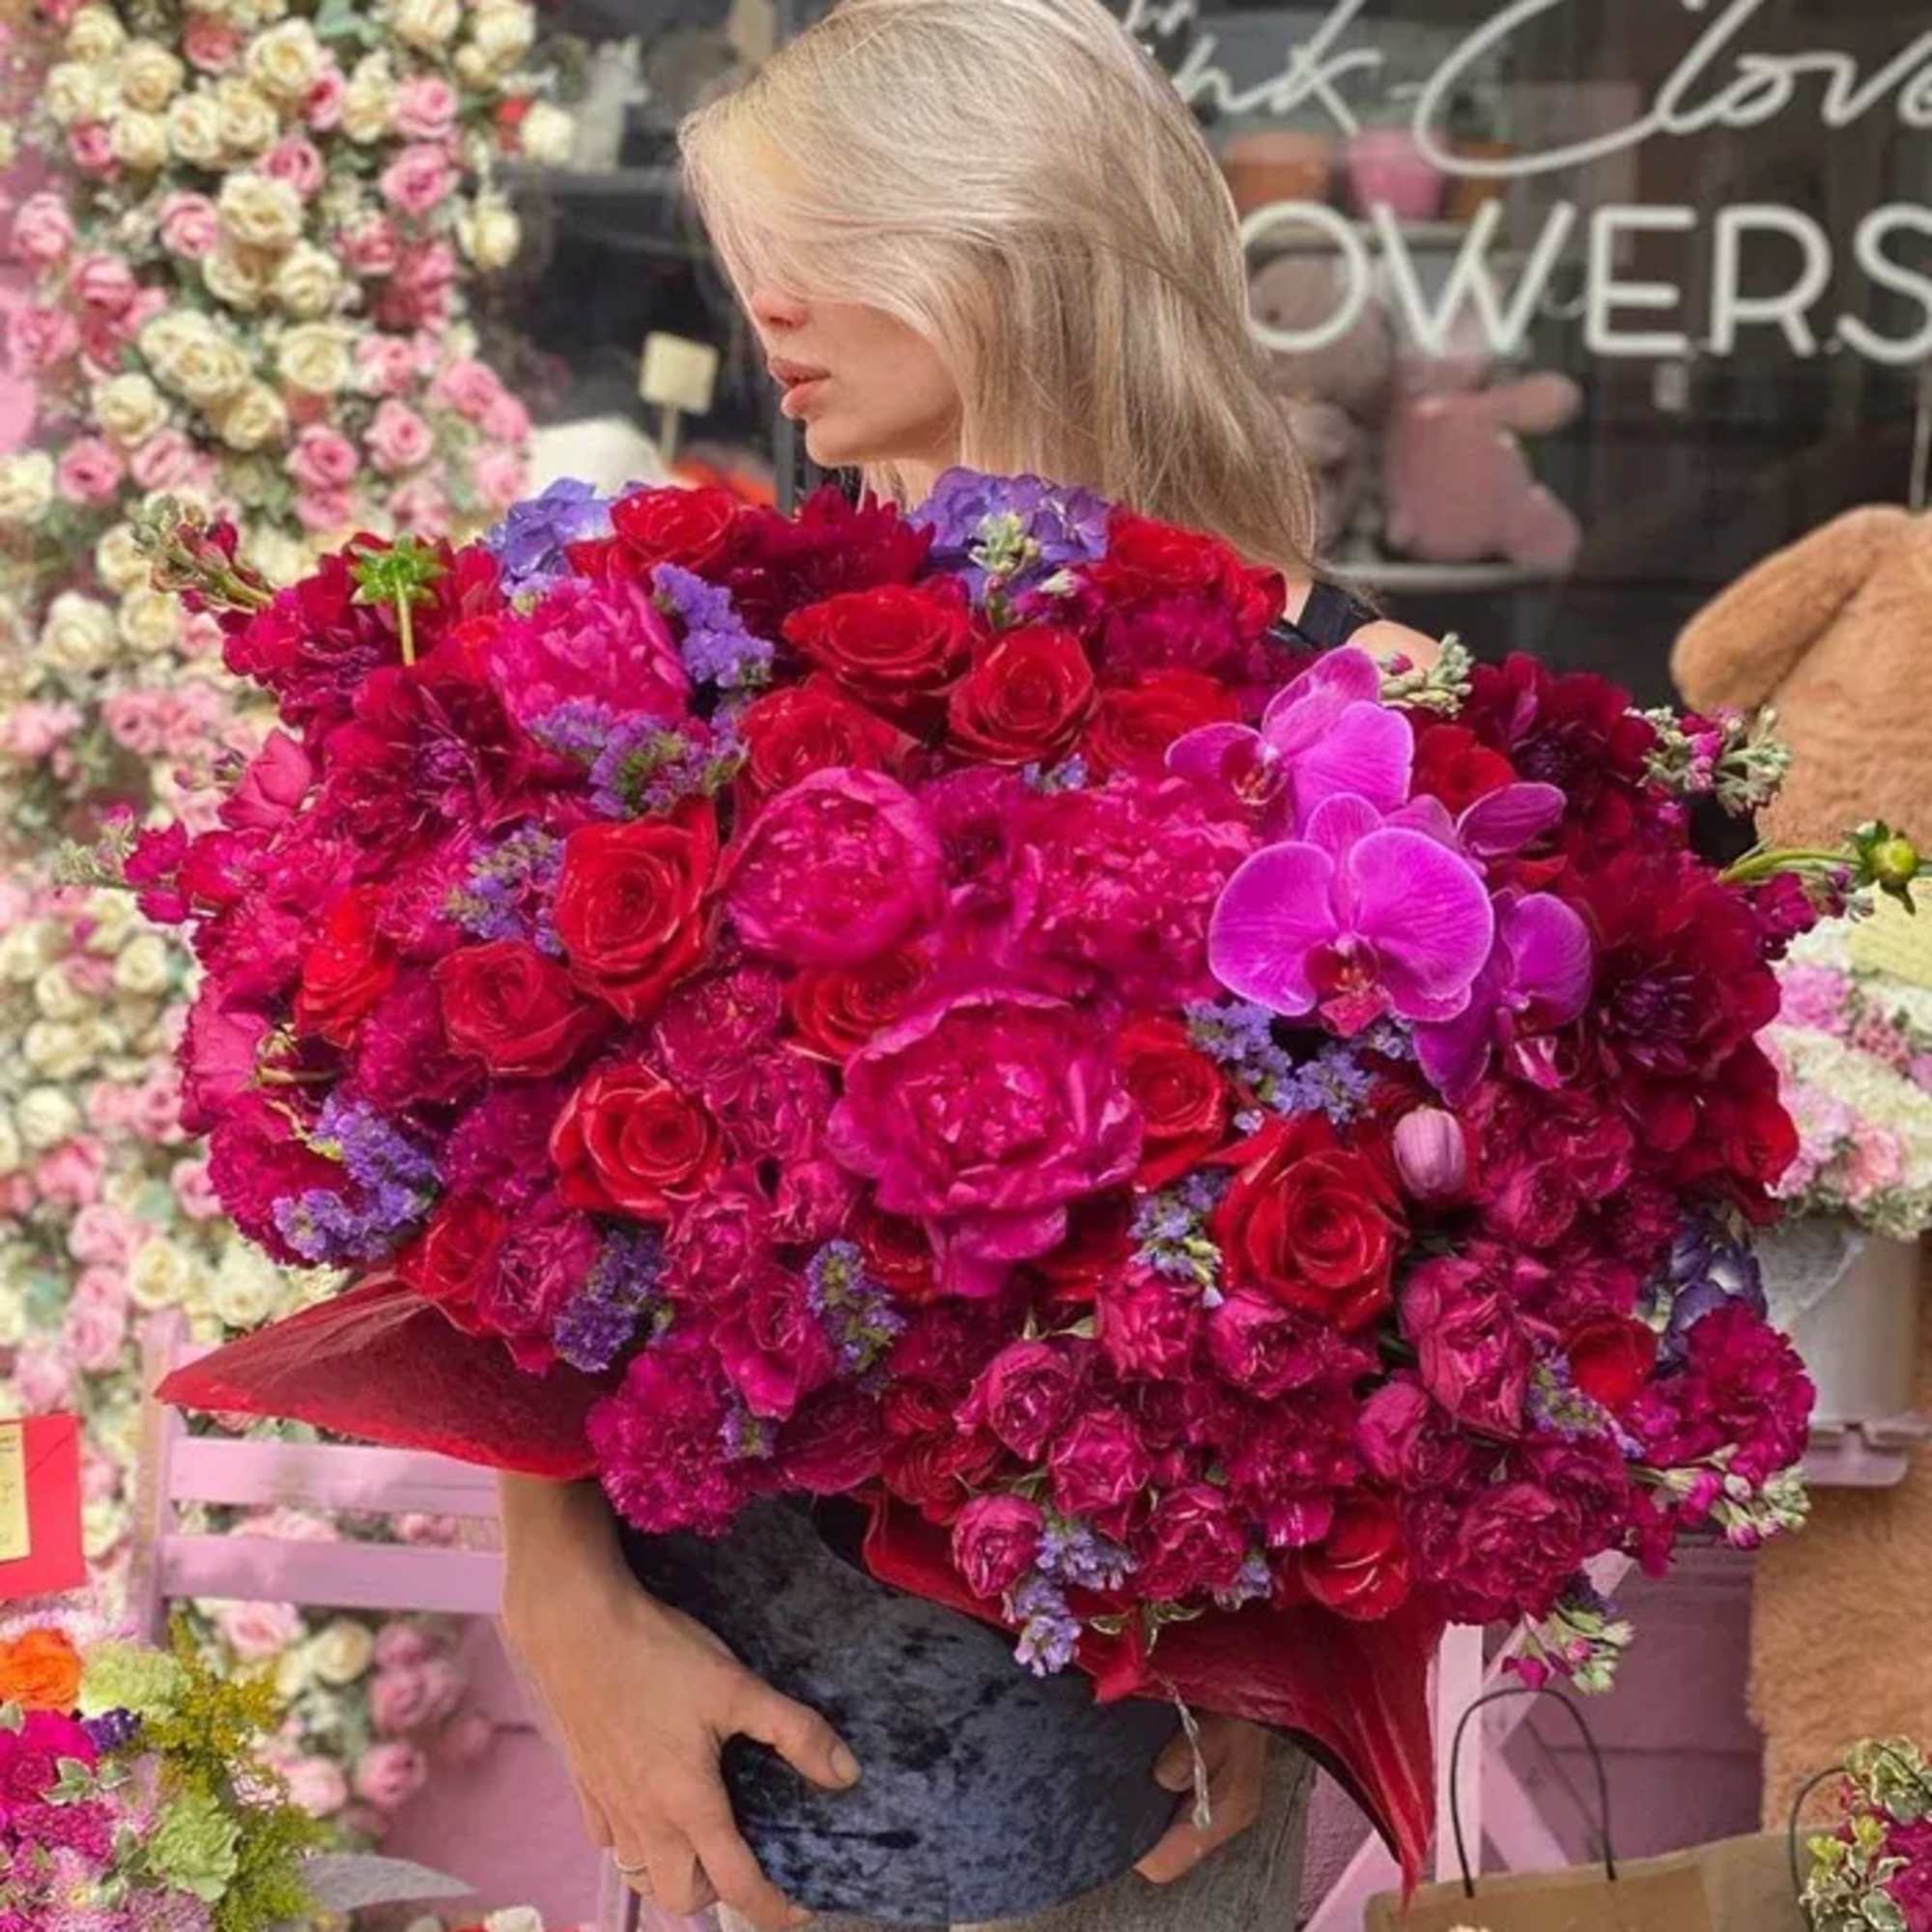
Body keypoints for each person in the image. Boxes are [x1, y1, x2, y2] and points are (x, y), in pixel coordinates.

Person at [498, 5, 1437, 1930]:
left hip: (1134, 1774)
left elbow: (1439, 1270)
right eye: (758, 240)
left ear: (1001, 230)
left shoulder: (1345, 698)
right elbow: (508, 1188)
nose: (768, 298)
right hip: (741, 1732)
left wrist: (1300, 1648)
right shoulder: (708, 667)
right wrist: (560, 1595)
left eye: (826, 234)